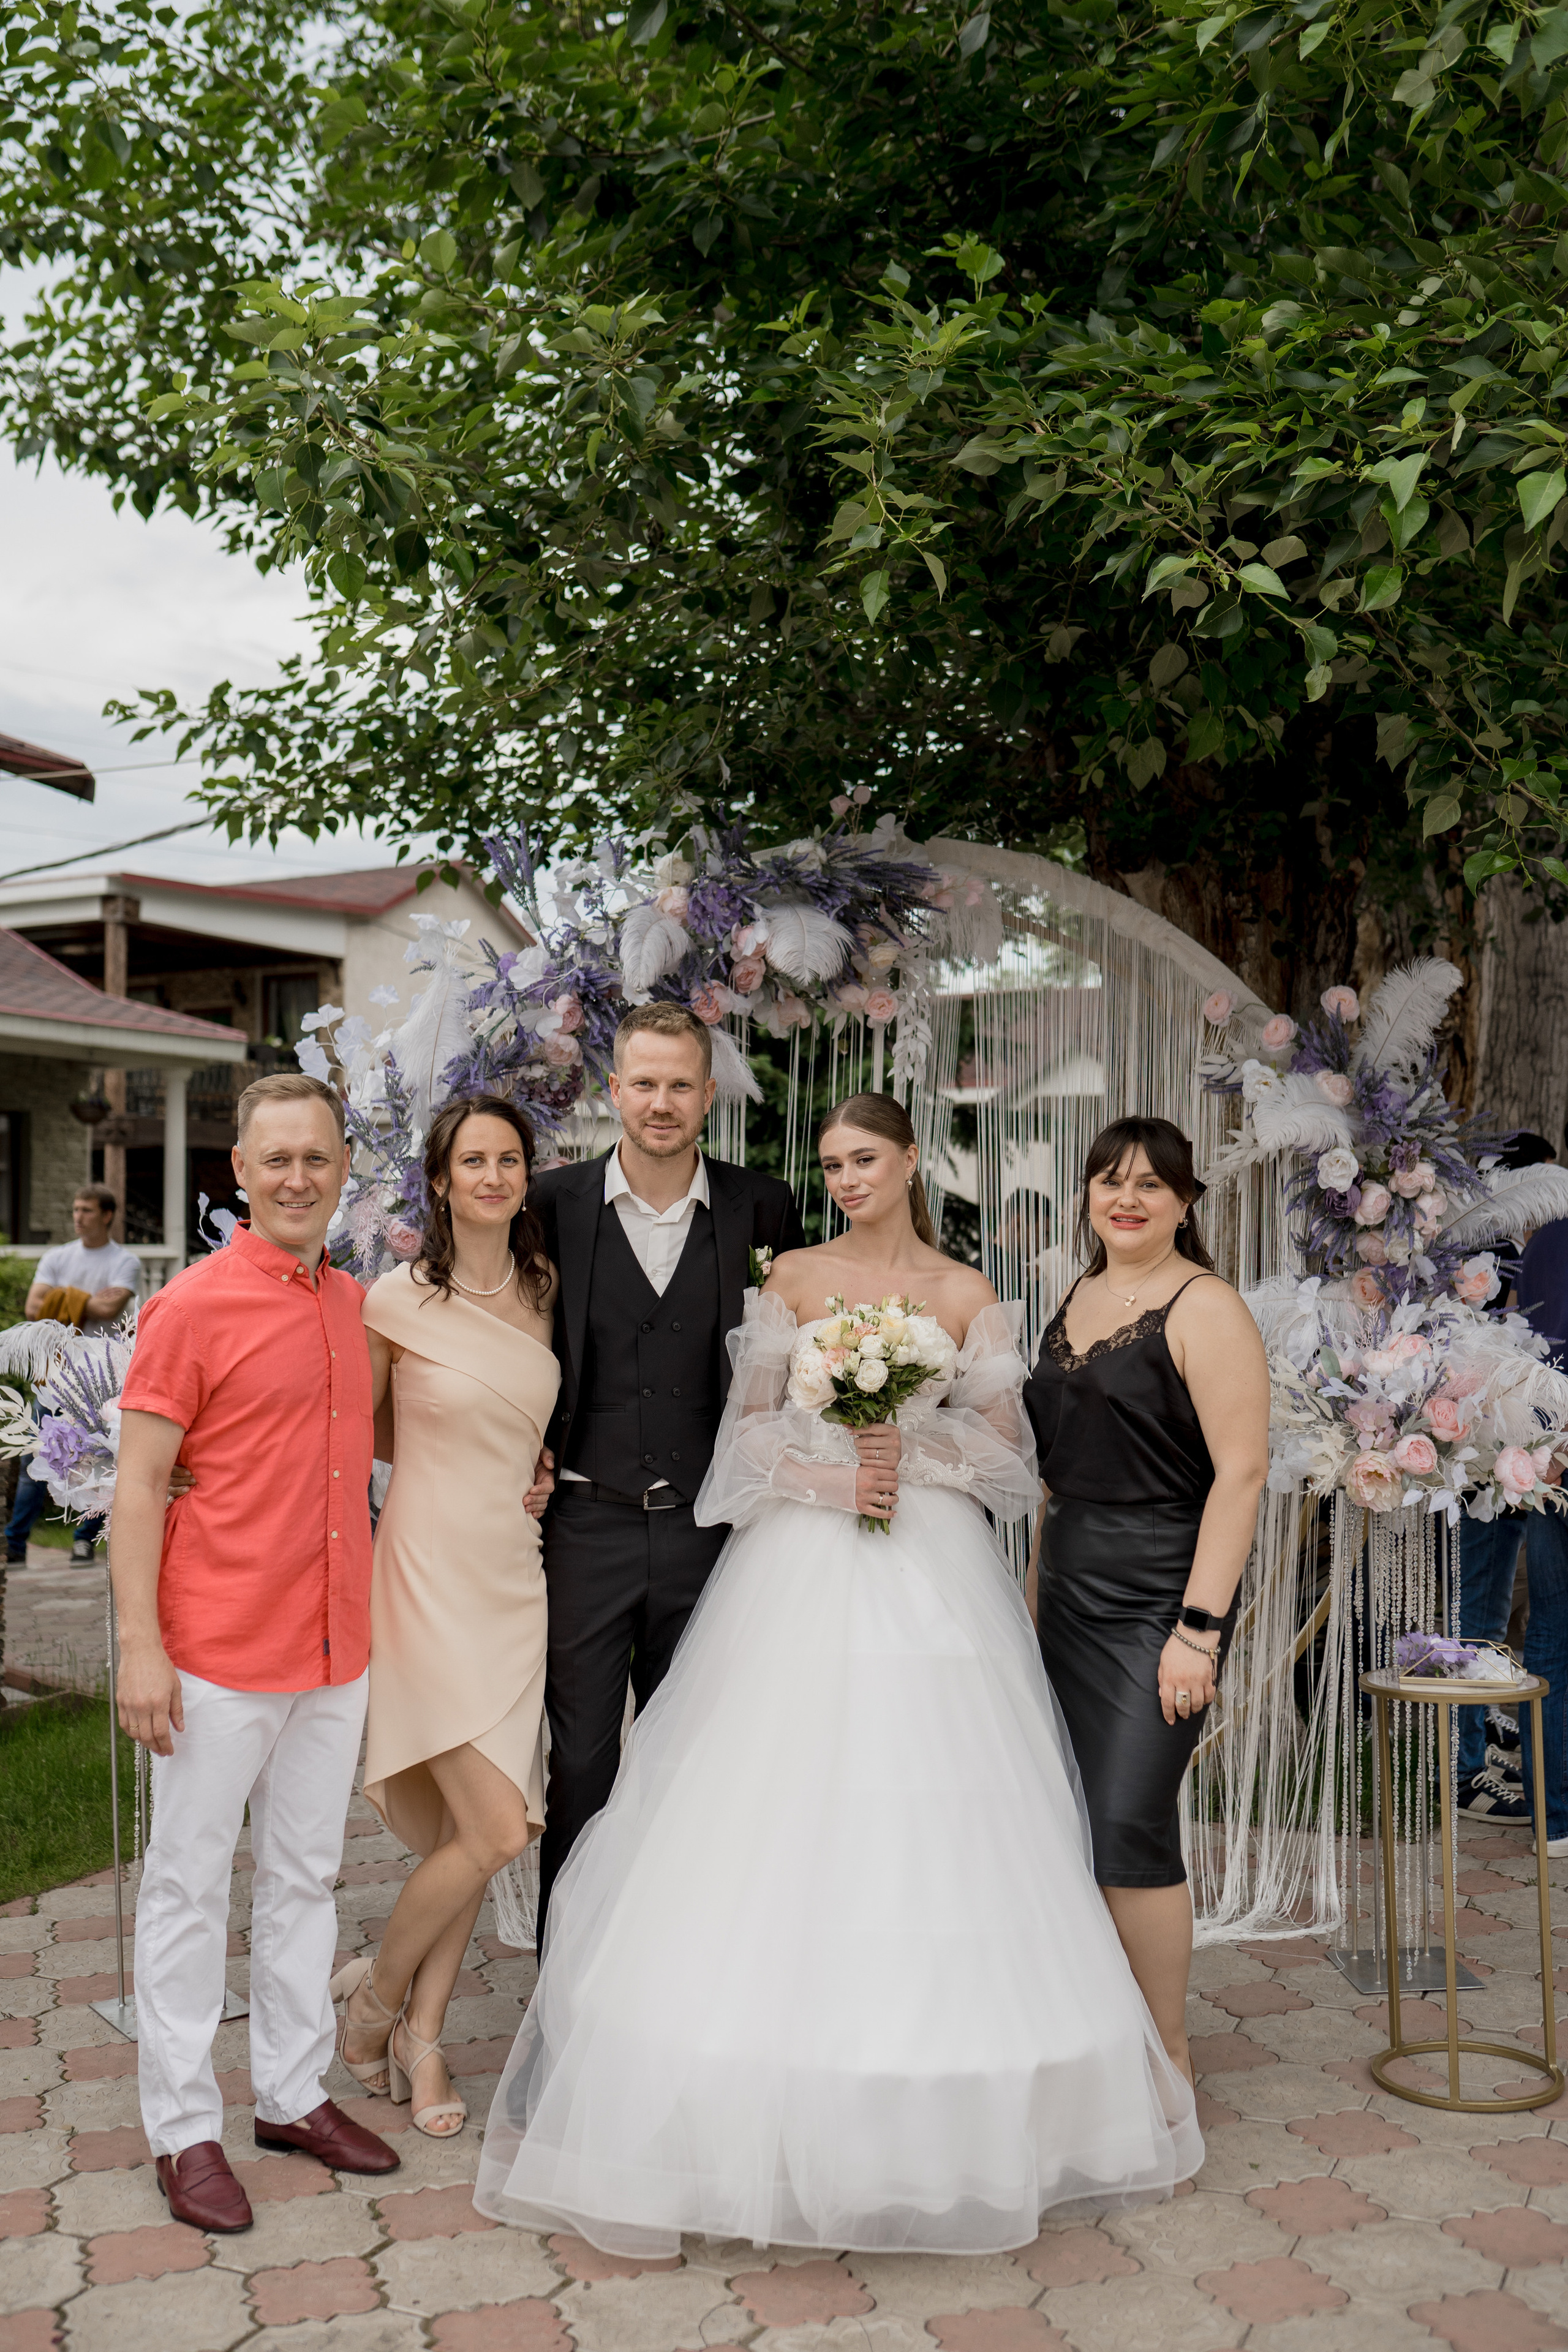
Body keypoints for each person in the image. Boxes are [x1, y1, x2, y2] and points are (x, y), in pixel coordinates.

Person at [475, 1090, 1201, 2255]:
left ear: (911, 1162)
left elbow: (1012, 1457)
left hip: (933, 1567)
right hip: (801, 1565)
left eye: (866, 1159)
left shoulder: (966, 1293)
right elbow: (746, 1441)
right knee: (775, 1791)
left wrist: (909, 1448)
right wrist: (830, 1479)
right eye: (832, 1165)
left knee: (939, 1799)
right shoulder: (794, 1280)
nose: (848, 1179)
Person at [111, 1071, 399, 2234]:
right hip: (216, 1651)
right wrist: (139, 1648)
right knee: (188, 1887)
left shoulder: (354, 1304)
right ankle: (184, 2130)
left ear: (344, 1168)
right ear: (238, 1170)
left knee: (305, 1879)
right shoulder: (190, 1307)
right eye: (275, 1158)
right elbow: (139, 1487)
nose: (296, 1177)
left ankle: (290, 2093)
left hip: (333, 1647)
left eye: (317, 1157)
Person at [526, 1001, 805, 1946]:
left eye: (680, 1085)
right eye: (643, 1083)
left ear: (708, 1095)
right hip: (584, 1527)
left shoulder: (763, 1206)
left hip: (712, 1529)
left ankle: (683, 1963)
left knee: (697, 1760)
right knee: (582, 1764)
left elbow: (793, 1355)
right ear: (614, 1090)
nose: (661, 1102)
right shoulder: (550, 1204)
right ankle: (566, 1977)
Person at [1023, 1115, 1270, 2087]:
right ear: (1087, 1193)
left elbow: (1242, 1473)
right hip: (1068, 1585)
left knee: (1130, 1820)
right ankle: (1099, 2036)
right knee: (1072, 1821)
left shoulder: (1206, 1307)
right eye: (1109, 1181)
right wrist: (1033, 1600)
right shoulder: (1078, 1292)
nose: (1126, 1199)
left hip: (1163, 1594)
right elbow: (1058, 1476)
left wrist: (1198, 1633)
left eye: (1150, 1184)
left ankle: (1167, 2054)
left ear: (1184, 1201)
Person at [331, 1094, 559, 2138]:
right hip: (425, 1574)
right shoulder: (393, 1301)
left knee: (480, 1829)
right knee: (498, 1827)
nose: (494, 1176)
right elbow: (357, 1431)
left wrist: (536, 1465)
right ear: (439, 1180)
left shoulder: (548, 1292)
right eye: (473, 1161)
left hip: (516, 1577)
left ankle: (420, 2037)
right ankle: (373, 2002)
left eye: (509, 1159)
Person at [1453, 1129, 1559, 1820]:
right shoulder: (1493, 1258)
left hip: (1508, 1460)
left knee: (1487, 1609)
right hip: (1486, 1461)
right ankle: (1466, 1770)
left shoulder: (1504, 1251)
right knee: (1482, 1611)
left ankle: (1479, 1739)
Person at [9, 1187, 140, 1562]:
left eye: (87, 1210)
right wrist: (86, 1299)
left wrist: (61, 1296)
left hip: (101, 1379)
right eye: (76, 1209)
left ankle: (84, 1540)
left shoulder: (125, 1261)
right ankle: (14, 1544)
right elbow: (34, 1307)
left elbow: (110, 1308)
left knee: (102, 1459)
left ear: (107, 1215)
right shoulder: (57, 1256)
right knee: (35, 1457)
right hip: (54, 1376)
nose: (78, 1216)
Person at [1517, 1172, 1568, 1856]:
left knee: (1550, 1636)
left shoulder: (1545, 1238)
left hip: (1544, 1453)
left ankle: (1552, 1820)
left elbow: (1523, 1346)